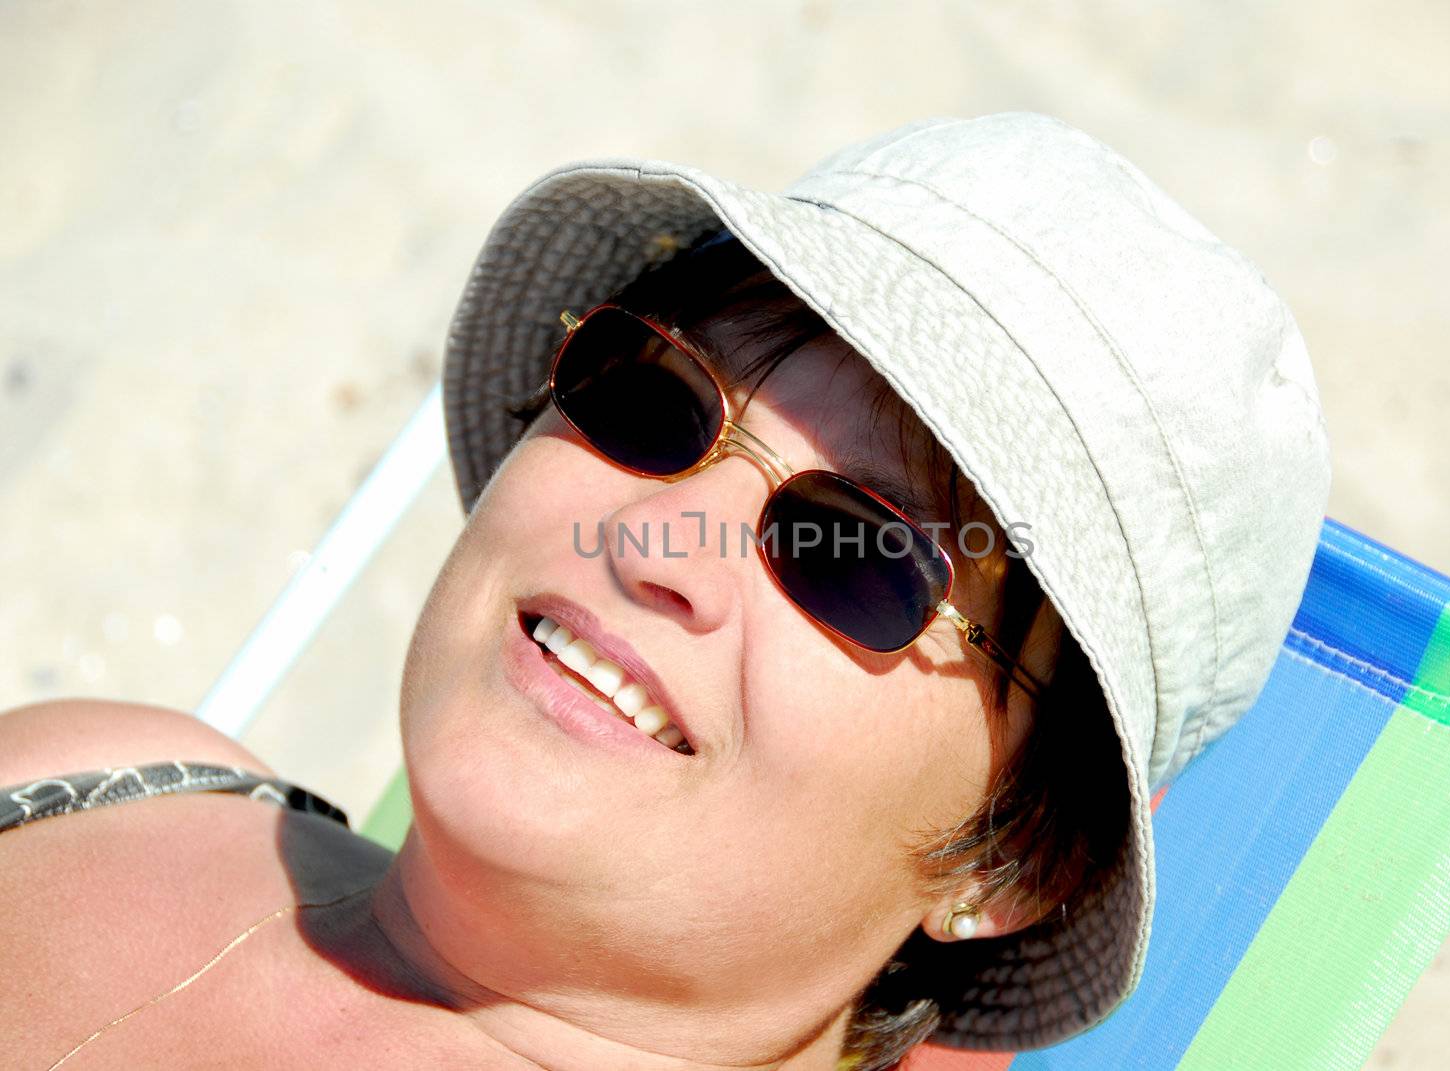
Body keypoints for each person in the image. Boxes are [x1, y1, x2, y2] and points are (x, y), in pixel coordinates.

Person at [0, 113, 1330, 1069]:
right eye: (650, 399)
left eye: (857, 552)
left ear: (1009, 860)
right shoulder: (104, 765)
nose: (660, 542)